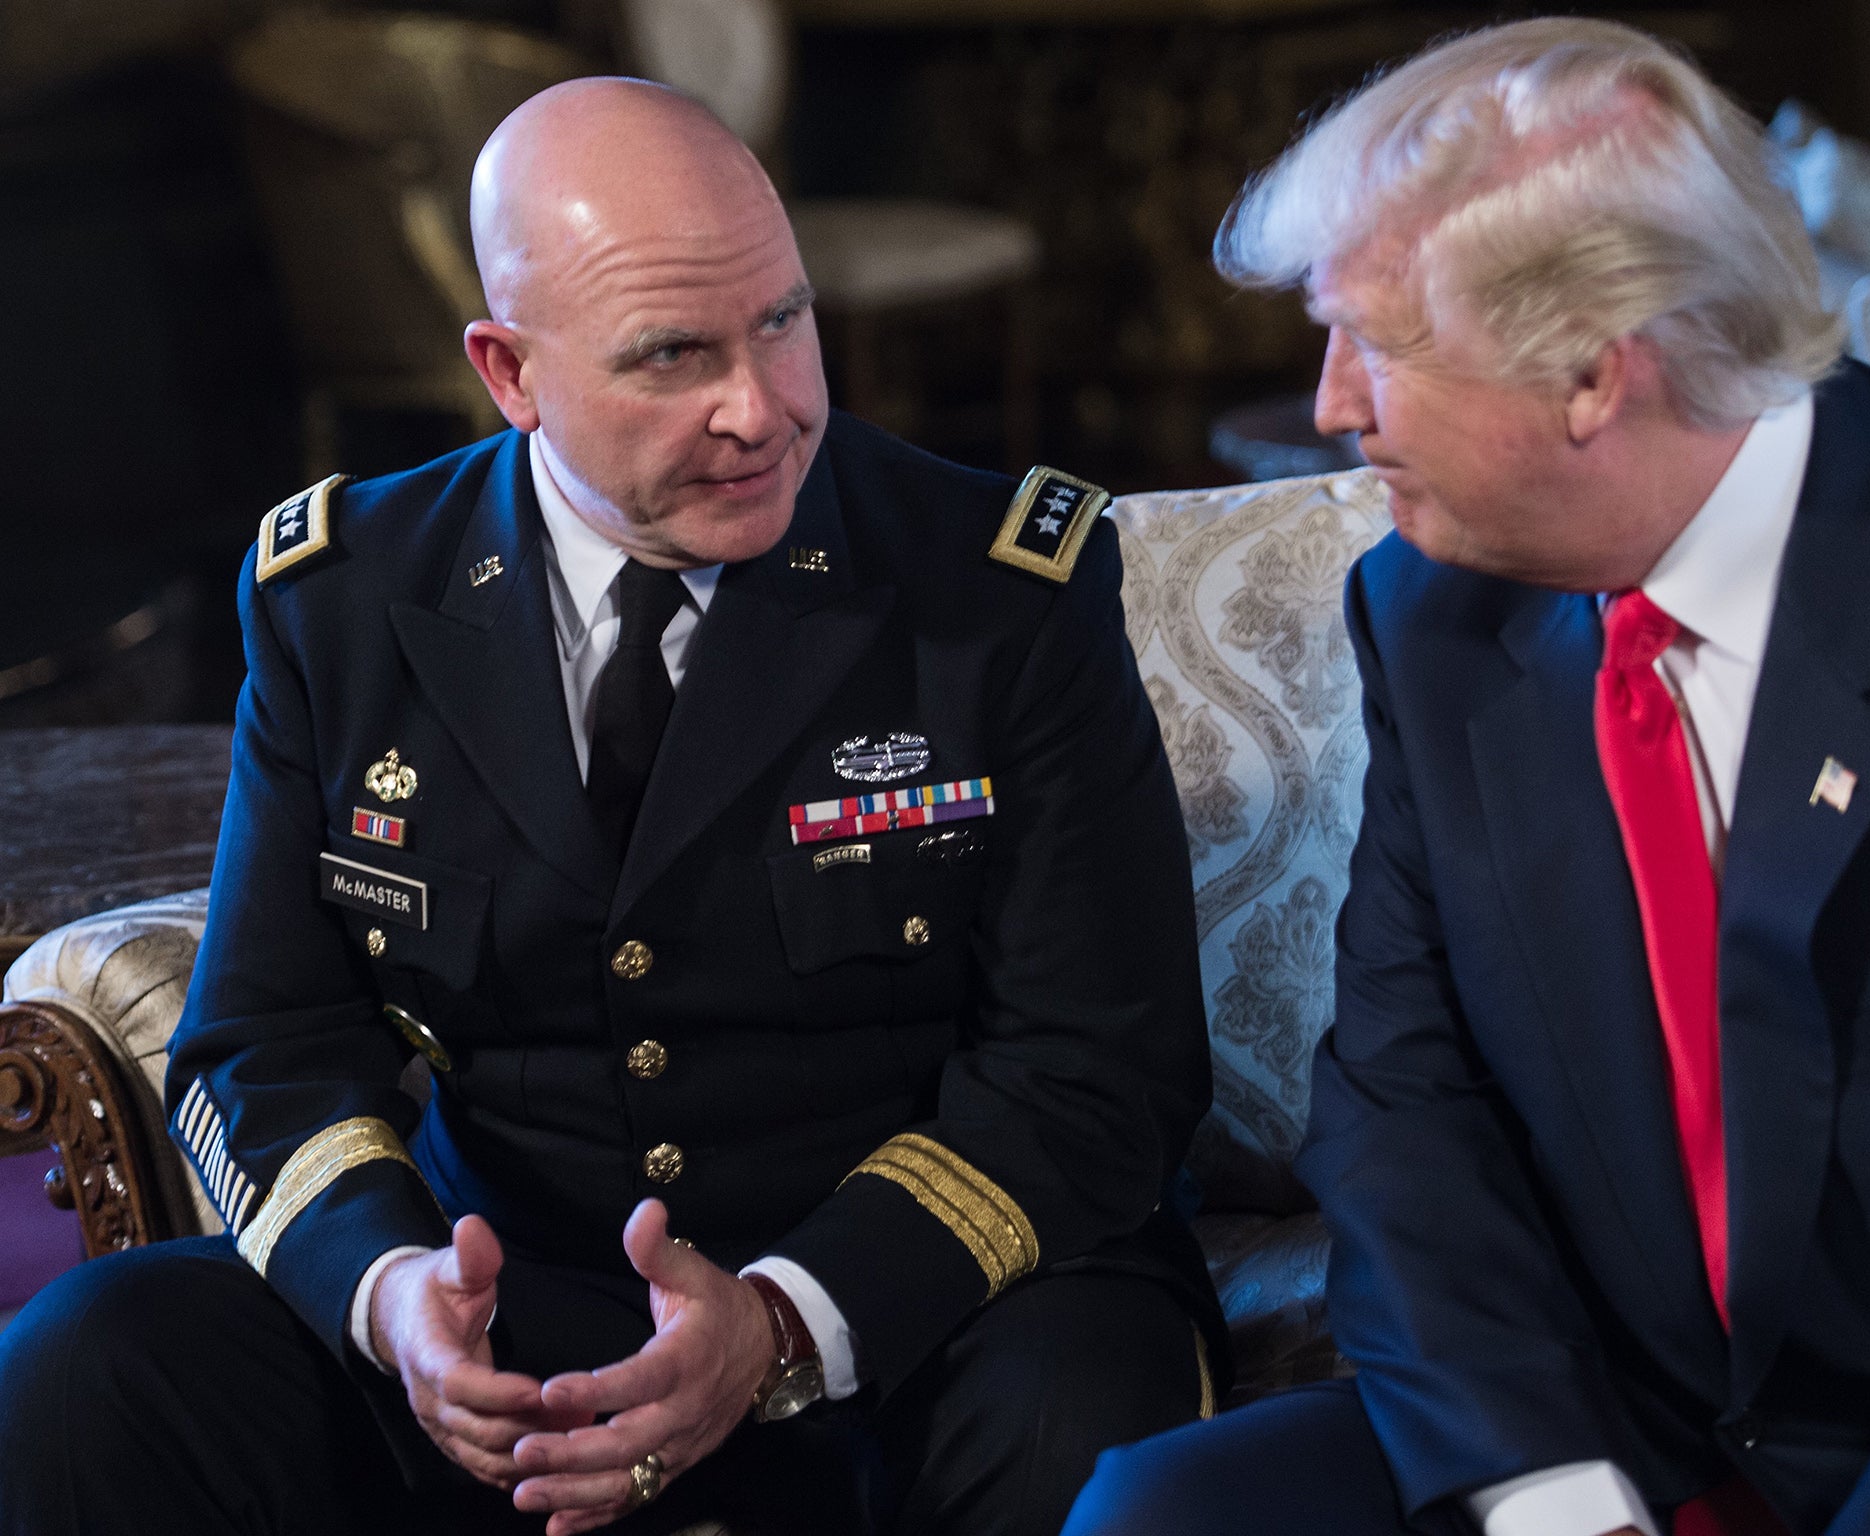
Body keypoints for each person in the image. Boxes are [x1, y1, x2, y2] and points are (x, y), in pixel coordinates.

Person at [0, 79, 1223, 1536]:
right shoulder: (344, 601)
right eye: (672, 355)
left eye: (784, 321)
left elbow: (1101, 1068)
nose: (762, 409)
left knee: (1077, 1418)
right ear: (511, 373)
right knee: (93, 1367)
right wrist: (401, 1305)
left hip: (911, 1313)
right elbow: (265, 1040)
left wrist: (780, 1323)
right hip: (516, 1301)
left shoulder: (999, 590)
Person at [1061, 17, 1870, 1536]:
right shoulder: (1431, 614)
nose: (1330, 405)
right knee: (1164, 1513)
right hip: (1611, 1433)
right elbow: (1404, 1110)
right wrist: (1548, 1497)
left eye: (1379, 341)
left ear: (1595, 375)